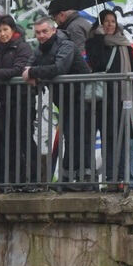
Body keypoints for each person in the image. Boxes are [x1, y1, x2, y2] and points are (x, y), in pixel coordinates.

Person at [25, 15, 91, 188]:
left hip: (81, 97)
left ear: (54, 30)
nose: (41, 35)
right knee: (70, 137)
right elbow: (28, 67)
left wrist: (33, 73)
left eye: (44, 31)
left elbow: (59, 68)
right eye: (38, 32)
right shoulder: (40, 49)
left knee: (78, 137)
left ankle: (82, 180)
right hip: (64, 99)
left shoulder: (66, 45)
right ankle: (70, 179)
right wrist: (33, 73)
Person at [86, 10, 133, 186]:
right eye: (106, 21)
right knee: (109, 139)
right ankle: (112, 179)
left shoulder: (124, 44)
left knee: (127, 140)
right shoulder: (94, 42)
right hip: (105, 101)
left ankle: (127, 179)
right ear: (100, 23)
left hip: (124, 100)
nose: (110, 24)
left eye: (113, 21)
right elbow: (98, 64)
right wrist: (99, 40)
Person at [0, 15, 35, 186]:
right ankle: (13, 180)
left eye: (5, 30)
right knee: (8, 143)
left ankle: (32, 180)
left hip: (22, 101)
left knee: (25, 140)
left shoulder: (22, 47)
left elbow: (18, 70)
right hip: (4, 102)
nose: (2, 34)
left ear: (13, 30)